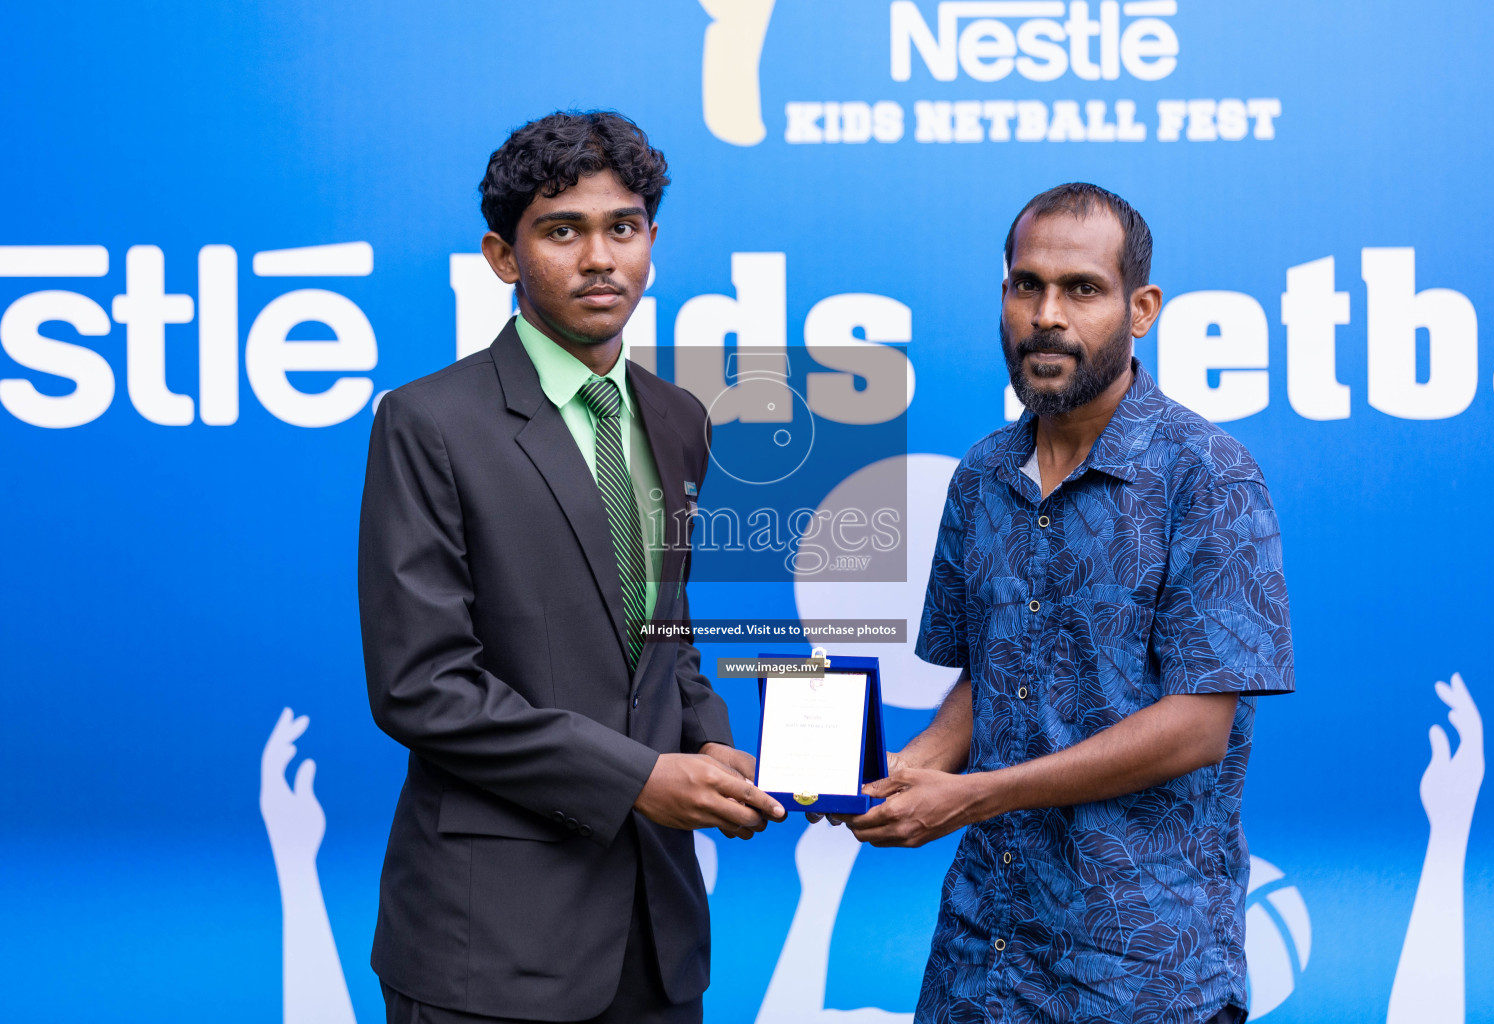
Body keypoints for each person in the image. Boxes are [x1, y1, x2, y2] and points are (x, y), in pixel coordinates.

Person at [357, 110, 784, 1024]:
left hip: (657, 934)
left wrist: (709, 743)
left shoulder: (678, 418)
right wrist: (638, 778)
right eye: (563, 230)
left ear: (651, 242)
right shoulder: (429, 422)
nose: (600, 258)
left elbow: (663, 638)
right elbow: (421, 686)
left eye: (622, 228)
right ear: (503, 257)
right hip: (492, 942)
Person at [838, 183, 1296, 1024]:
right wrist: (915, 765)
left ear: (1142, 308)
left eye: (1082, 288)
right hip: (982, 956)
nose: (1047, 315)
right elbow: (991, 674)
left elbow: (1198, 727)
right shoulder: (981, 475)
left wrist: (976, 794)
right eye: (1027, 285)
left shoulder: (1209, 475)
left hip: (1139, 973)